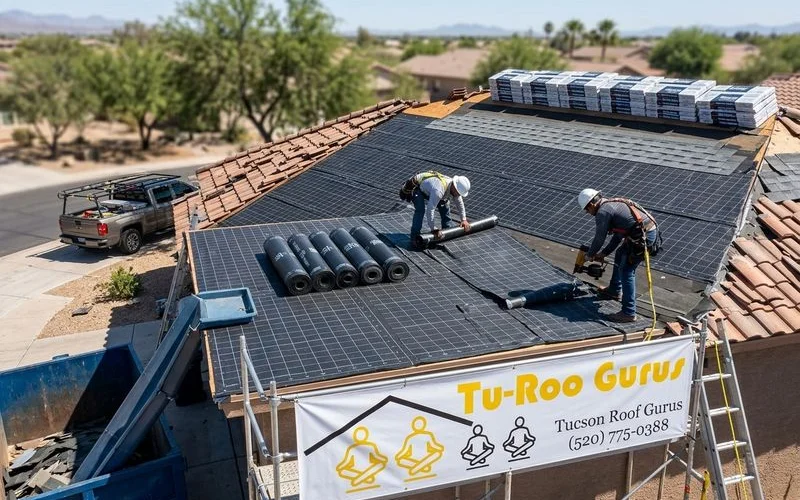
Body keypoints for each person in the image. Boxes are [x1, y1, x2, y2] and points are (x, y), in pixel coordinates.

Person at [578, 188, 660, 323]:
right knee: (620, 254)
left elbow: (599, 238)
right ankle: (614, 290)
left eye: (587, 210)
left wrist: (589, 255)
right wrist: (604, 253)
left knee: (627, 270)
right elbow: (618, 235)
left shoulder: (603, 212)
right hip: (642, 233)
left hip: (643, 236)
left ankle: (628, 312)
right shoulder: (611, 205)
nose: (588, 213)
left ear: (591, 204)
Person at [403, 171, 471, 247]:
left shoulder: (454, 188)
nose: (458, 195)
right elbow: (430, 209)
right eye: (458, 192)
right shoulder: (439, 190)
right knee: (420, 210)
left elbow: (460, 203)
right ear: (454, 187)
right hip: (419, 190)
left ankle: (448, 230)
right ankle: (414, 237)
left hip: (432, 190)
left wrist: (464, 220)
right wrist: (433, 229)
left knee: (445, 205)